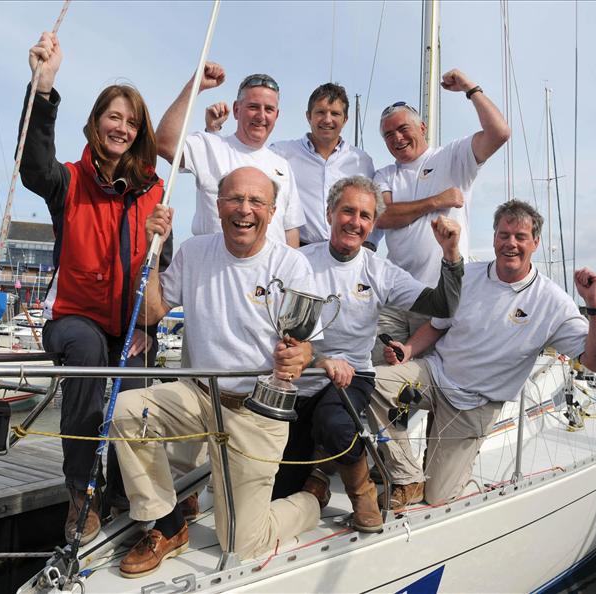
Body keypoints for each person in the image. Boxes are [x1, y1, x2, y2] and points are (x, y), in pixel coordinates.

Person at [111, 166, 328, 578]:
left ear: (272, 211)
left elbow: (305, 345)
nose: (244, 210)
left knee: (241, 543)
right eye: (234, 199)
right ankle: (168, 524)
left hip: (257, 411)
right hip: (198, 395)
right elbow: (150, 313)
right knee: (127, 410)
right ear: (218, 205)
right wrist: (151, 251)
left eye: (256, 201)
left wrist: (297, 358)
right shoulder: (195, 252)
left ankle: (310, 500)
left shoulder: (292, 264)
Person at [19, 32, 173, 545]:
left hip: (130, 327)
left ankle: (134, 492)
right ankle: (81, 492)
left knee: (139, 388)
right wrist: (43, 88)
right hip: (75, 320)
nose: (122, 128)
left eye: (131, 121)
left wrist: (150, 329)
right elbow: (32, 167)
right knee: (86, 354)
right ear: (96, 122)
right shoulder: (67, 180)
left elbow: (160, 287)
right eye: (114, 117)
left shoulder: (155, 194)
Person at [369, 200, 596, 509]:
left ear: (535, 242)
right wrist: (408, 350)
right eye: (503, 234)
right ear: (494, 238)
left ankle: (448, 478)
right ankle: (407, 476)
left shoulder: (552, 302)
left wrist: (594, 304)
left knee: (438, 498)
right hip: (433, 377)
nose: (510, 243)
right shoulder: (466, 276)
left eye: (520, 236)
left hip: (475, 404)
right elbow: (436, 326)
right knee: (370, 383)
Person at [272, 175, 463, 533]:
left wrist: (451, 256)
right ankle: (313, 486)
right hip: (302, 376)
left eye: (365, 216)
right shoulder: (296, 262)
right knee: (282, 490)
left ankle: (362, 494)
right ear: (330, 212)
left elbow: (443, 305)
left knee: (334, 422)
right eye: (347, 211)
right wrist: (317, 361)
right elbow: (280, 330)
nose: (355, 222)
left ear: (373, 225)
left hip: (352, 377)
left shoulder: (380, 271)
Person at [371, 68, 511, 365]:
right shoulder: (385, 175)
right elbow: (382, 217)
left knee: (435, 384)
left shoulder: (453, 156)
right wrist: (437, 200)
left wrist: (470, 89)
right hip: (395, 296)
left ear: (422, 127)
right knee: (384, 378)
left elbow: (500, 133)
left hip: (441, 295)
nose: (396, 138)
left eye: (402, 129)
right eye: (388, 135)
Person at [212, 82, 379, 249]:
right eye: (320, 112)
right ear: (308, 116)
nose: (327, 119)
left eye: (335, 113)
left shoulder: (362, 161)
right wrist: (214, 131)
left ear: (345, 119)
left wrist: (370, 245)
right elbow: (242, 165)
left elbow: (372, 208)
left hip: (348, 252)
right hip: (303, 250)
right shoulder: (281, 153)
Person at [156, 63, 304, 247]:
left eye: (269, 109)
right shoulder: (210, 146)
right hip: (213, 269)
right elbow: (164, 143)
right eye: (253, 107)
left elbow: (290, 230)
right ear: (236, 110)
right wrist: (195, 86)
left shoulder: (283, 166)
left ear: (277, 115)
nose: (261, 116)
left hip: (270, 274)